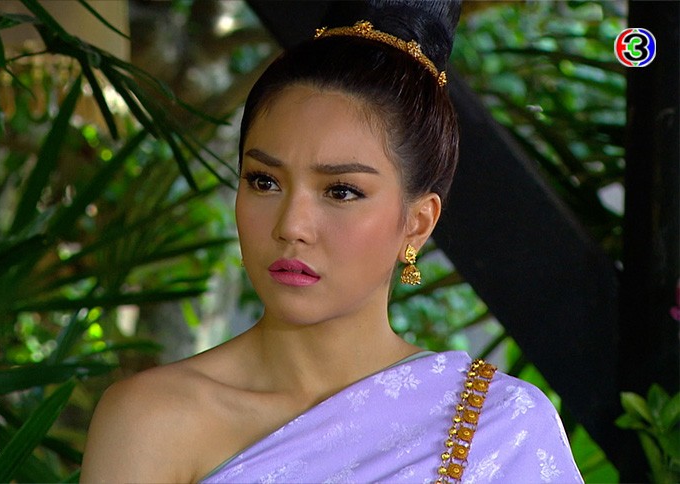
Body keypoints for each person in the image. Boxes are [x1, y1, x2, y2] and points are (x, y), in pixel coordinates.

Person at [81, 1, 583, 482]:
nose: (292, 225)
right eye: (264, 181)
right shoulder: (151, 420)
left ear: (417, 222)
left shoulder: (496, 427)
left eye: (341, 191)